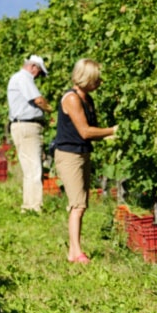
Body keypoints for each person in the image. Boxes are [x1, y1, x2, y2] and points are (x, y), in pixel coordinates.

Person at [52, 58, 117, 264]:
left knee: (81, 204)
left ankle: (73, 250)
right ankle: (77, 253)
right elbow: (86, 131)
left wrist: (110, 136)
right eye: (96, 79)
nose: (99, 83)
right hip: (69, 155)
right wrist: (114, 131)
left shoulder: (87, 99)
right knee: (77, 205)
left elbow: (93, 132)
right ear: (86, 78)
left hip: (82, 153)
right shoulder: (71, 99)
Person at [7, 54, 52, 213]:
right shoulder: (24, 78)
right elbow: (38, 100)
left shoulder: (18, 78)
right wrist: (51, 111)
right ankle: (34, 206)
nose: (38, 76)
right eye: (39, 72)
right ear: (33, 67)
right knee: (34, 167)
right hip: (28, 126)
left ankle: (28, 205)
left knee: (29, 168)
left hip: (21, 125)